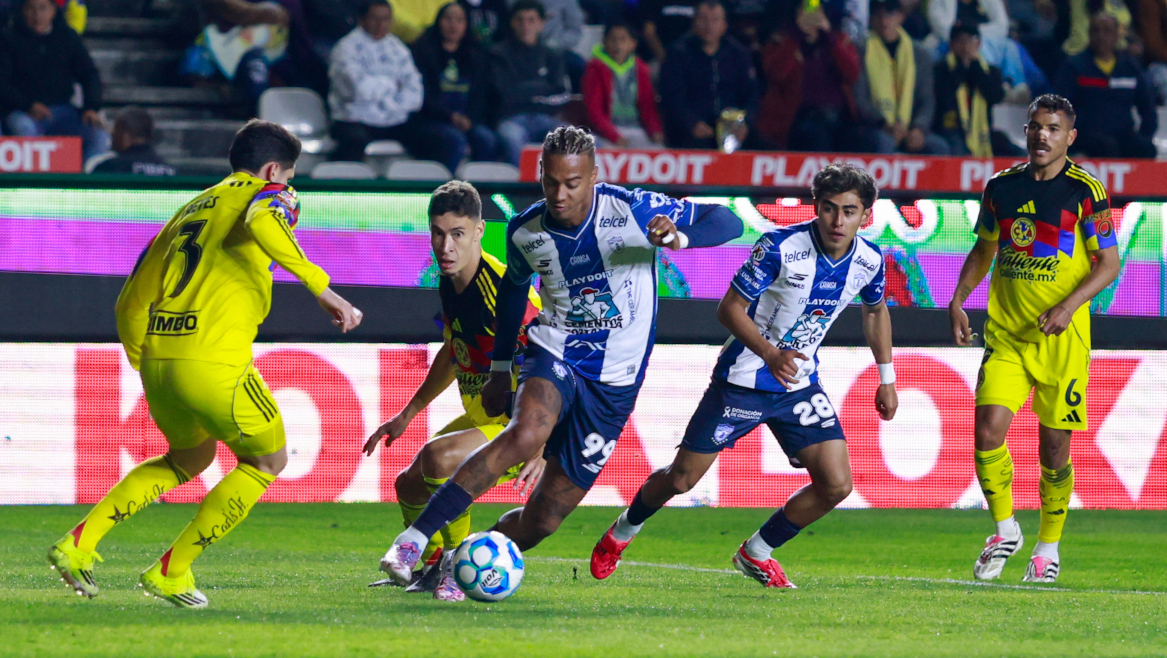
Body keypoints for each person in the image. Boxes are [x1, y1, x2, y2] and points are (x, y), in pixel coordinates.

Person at [377, 126, 743, 586]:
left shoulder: (632, 209)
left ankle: (456, 568)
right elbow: (513, 292)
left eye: (572, 183)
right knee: (524, 433)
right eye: (551, 182)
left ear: (594, 176)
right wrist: (499, 369)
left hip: (615, 382)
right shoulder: (526, 230)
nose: (560, 194)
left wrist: (679, 237)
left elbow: (729, 222)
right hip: (556, 351)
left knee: (542, 521)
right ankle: (413, 540)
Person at [46, 120, 364, 608]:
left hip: (160, 359)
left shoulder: (189, 208)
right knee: (267, 460)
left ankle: (78, 544)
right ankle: (172, 571)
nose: (289, 185)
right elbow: (262, 221)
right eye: (289, 174)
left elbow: (130, 300)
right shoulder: (267, 194)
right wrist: (323, 289)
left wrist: (145, 359)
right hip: (213, 361)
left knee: (188, 458)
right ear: (273, 169)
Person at [590, 164, 898, 588]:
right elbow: (728, 309)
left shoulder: (869, 260)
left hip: (798, 384)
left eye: (849, 211)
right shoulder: (779, 246)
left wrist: (887, 377)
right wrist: (771, 354)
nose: (838, 221)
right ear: (816, 207)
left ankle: (756, 552)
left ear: (867, 215)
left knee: (836, 484)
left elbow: (876, 309)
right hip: (744, 379)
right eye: (829, 209)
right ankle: (622, 530)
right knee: (682, 478)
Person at [948, 94, 1120, 584]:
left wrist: (1068, 307)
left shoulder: (1086, 192)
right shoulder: (1001, 188)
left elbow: (1109, 264)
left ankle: (1048, 548)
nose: (1042, 135)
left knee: (1053, 449)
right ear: (1026, 132)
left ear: (1070, 137)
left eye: (1053, 128)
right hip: (1008, 335)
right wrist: (959, 298)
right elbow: (985, 248)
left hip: (1063, 341)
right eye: (1035, 126)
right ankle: (1005, 530)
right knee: (985, 433)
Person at [363, 181, 543, 602]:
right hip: (487, 415)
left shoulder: (500, 290)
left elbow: (546, 358)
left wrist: (540, 440)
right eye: (438, 233)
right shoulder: (451, 283)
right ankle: (430, 567)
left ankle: (452, 569)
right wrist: (407, 414)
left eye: (457, 234)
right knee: (408, 484)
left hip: (523, 423)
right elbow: (453, 349)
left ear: (480, 230)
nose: (446, 246)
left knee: (438, 458)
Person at [329, 0, 465, 171]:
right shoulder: (345, 48)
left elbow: (415, 93)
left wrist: (384, 94)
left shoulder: (398, 48)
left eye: (386, 19)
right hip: (355, 119)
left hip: (395, 120)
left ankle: (431, 192)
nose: (381, 24)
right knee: (353, 141)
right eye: (375, 19)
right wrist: (394, 87)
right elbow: (359, 91)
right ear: (361, 19)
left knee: (446, 140)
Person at [0, 0, 109, 161]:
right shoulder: (7, 38)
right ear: (23, 10)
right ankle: (34, 184)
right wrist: (28, 105)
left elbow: (89, 74)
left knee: (98, 135)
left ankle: (87, 182)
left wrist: (91, 107)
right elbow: (2, 84)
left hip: (62, 111)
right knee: (25, 129)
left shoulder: (68, 37)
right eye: (31, 8)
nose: (37, 15)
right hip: (21, 111)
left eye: (42, 8)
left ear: (53, 10)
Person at [757, 1, 863, 151]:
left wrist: (829, 36)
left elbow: (852, 73)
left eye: (815, 12)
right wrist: (796, 35)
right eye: (805, 12)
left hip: (839, 117)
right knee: (816, 137)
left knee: (864, 139)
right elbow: (777, 74)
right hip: (800, 118)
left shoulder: (839, 40)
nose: (810, 17)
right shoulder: (781, 41)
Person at [1054, 12, 1157, 159]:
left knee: (1145, 149)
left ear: (1116, 35)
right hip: (1086, 136)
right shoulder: (1074, 67)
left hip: (1123, 134)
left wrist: (1145, 135)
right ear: (1089, 34)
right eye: (1096, 30)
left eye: (1107, 31)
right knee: (1106, 148)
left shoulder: (1130, 68)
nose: (1101, 36)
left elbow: (1147, 107)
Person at [659, 0, 758, 149]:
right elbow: (672, 97)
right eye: (703, 19)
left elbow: (752, 94)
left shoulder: (738, 54)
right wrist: (691, 123)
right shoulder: (678, 54)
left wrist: (745, 122)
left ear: (724, 24)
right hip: (691, 129)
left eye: (715, 20)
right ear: (694, 22)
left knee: (765, 148)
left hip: (731, 128)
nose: (709, 25)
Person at [411, 2, 502, 163]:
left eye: (459, 20)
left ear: (466, 25)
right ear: (438, 22)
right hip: (433, 120)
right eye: (448, 19)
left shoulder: (476, 54)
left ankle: (481, 187)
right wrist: (450, 116)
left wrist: (469, 118)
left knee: (486, 139)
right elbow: (424, 96)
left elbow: (481, 95)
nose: (453, 25)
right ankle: (448, 187)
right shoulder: (422, 52)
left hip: (467, 119)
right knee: (454, 140)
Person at [855, 0, 948, 154]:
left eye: (890, 15)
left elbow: (926, 100)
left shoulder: (919, 54)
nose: (884, 21)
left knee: (939, 147)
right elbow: (860, 99)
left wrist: (918, 128)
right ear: (871, 18)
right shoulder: (860, 50)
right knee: (884, 143)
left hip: (909, 127)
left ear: (901, 17)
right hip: (873, 126)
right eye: (879, 15)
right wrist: (884, 124)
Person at [490, 0, 571, 165]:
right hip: (510, 118)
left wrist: (523, 89)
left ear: (542, 23)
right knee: (512, 138)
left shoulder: (552, 56)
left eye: (531, 20)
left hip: (545, 117)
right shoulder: (498, 54)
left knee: (576, 138)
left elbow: (559, 91)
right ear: (512, 22)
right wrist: (540, 88)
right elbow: (503, 92)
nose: (525, 25)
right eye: (520, 19)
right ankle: (523, 189)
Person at [581, 23, 664, 148]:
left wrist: (655, 131)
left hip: (636, 129)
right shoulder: (595, 68)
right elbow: (594, 111)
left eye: (623, 39)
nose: (617, 45)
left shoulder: (641, 69)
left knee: (658, 152)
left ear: (633, 44)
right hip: (606, 132)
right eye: (612, 39)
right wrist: (614, 136)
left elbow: (648, 107)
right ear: (604, 42)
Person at [933, 21, 1008, 156]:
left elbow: (996, 96)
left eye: (970, 41)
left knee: (1015, 151)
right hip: (951, 127)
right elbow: (944, 98)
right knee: (956, 147)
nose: (965, 46)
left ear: (978, 44)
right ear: (951, 45)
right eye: (960, 41)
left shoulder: (990, 71)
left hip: (982, 130)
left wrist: (975, 67)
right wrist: (962, 68)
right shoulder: (940, 69)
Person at [91, 106, 176, 177]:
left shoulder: (109, 169)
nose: (112, 134)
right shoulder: (170, 171)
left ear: (124, 135)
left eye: (115, 129)